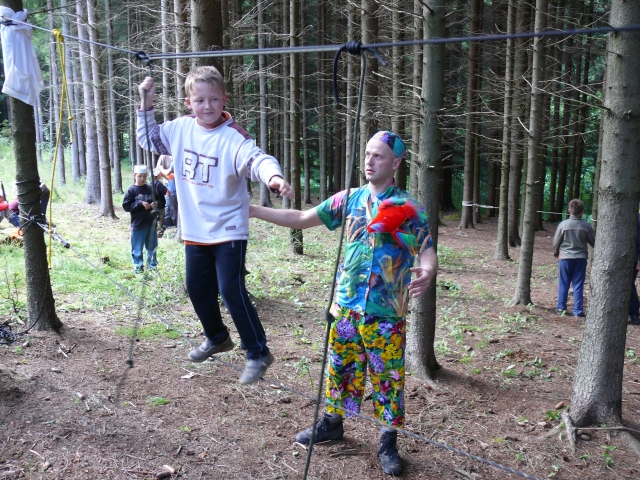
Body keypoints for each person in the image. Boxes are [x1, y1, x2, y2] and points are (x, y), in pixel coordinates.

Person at [250, 131, 438, 476]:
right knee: (340, 368)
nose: (369, 161)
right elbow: (301, 218)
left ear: (396, 163)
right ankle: (332, 423)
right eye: (367, 154)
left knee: (388, 377)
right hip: (347, 306)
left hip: (386, 311)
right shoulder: (349, 199)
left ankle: (388, 441)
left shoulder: (407, 207)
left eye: (378, 156)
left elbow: (427, 251)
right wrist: (251, 210)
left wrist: (427, 272)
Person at [136, 66, 293, 385]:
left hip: (229, 229)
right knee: (196, 287)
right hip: (195, 230)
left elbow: (257, 160)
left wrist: (274, 177)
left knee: (230, 289)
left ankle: (258, 352)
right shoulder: (179, 129)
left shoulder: (233, 136)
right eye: (199, 100)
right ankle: (217, 336)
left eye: (213, 99)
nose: (207, 106)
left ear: (224, 99)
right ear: (188, 103)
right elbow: (147, 138)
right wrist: (146, 104)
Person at [553, 199, 595, 318]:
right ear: (582, 212)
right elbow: (593, 242)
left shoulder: (563, 225)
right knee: (578, 284)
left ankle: (561, 307)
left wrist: (556, 253)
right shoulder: (586, 226)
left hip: (565, 258)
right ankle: (578, 310)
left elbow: (556, 242)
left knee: (563, 283)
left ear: (569, 210)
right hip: (580, 259)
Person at [122, 164, 166, 274]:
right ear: (134, 176)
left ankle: (152, 267)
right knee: (137, 248)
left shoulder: (150, 188)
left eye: (145, 176)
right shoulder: (131, 190)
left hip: (151, 223)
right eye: (140, 176)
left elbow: (162, 201)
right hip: (138, 224)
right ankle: (138, 268)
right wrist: (140, 203)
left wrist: (157, 203)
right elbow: (126, 206)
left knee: (152, 248)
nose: (142, 179)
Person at [629, 212, 640, 325]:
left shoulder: (637, 218)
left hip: (633, 258)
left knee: (629, 285)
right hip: (630, 257)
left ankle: (634, 313)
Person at [152, 167, 167, 238]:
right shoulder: (159, 184)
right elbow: (164, 191)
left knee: (155, 219)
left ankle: (155, 233)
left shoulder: (151, 183)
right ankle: (159, 234)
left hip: (153, 205)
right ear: (158, 175)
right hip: (160, 205)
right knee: (160, 220)